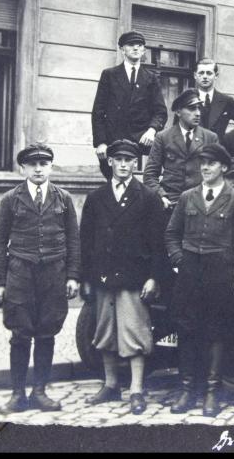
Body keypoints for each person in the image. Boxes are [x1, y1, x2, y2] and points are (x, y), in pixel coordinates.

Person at [0, 143, 81, 414]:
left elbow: (74, 240)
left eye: (44, 164)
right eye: (32, 164)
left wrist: (73, 276)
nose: (38, 169)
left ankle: (39, 391)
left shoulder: (63, 199)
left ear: (51, 167)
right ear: (23, 168)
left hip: (54, 273)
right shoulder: (11, 200)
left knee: (47, 332)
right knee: (19, 333)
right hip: (20, 273)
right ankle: (17, 394)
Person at [79, 139, 167, 415]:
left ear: (135, 164)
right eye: (119, 160)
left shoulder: (148, 198)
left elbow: (158, 243)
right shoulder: (96, 199)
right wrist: (85, 278)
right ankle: (111, 384)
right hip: (104, 276)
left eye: (129, 160)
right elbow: (86, 241)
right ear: (110, 162)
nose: (124, 165)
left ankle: (137, 389)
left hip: (134, 276)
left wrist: (154, 277)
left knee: (134, 332)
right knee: (105, 332)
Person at [164, 143, 234, 417]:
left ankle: (212, 391)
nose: (205, 168)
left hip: (219, 272)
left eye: (211, 163)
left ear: (223, 168)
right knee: (187, 329)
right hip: (190, 271)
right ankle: (188, 389)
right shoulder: (188, 197)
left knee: (216, 330)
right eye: (202, 163)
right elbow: (171, 233)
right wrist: (179, 260)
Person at [91, 31, 168, 180]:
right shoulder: (109, 75)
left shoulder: (151, 78)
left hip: (142, 143)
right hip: (114, 142)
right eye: (131, 45)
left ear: (144, 50)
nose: (136, 48)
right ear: (122, 49)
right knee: (114, 185)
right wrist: (101, 143)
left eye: (139, 45)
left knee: (143, 187)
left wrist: (152, 131)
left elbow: (160, 112)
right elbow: (98, 112)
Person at [143, 89, 219, 210]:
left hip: (201, 204)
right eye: (192, 108)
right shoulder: (163, 137)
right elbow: (150, 175)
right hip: (170, 203)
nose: (198, 113)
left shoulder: (210, 138)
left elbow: (217, 174)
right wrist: (161, 196)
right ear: (178, 112)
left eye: (199, 108)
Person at [194, 59, 234, 144]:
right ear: (195, 75)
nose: (205, 76)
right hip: (193, 152)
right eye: (201, 73)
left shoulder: (226, 101)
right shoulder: (187, 99)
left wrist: (231, 141)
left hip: (217, 152)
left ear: (216, 76)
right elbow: (178, 129)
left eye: (209, 73)